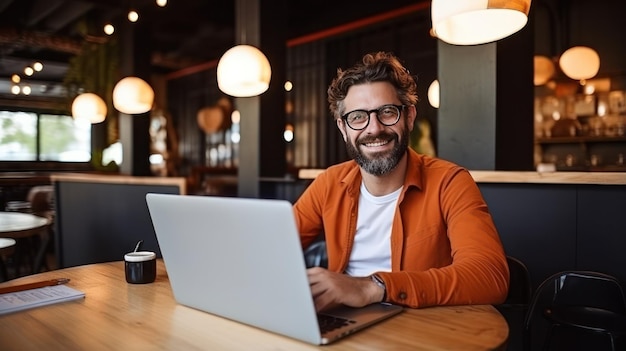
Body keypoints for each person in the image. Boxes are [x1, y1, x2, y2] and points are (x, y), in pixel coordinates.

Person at [293, 51, 509, 312]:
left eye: (387, 112)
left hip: (420, 328)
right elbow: (269, 250)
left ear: (409, 117)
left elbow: (489, 277)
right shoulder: (329, 183)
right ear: (343, 128)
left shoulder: (450, 182)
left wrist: (372, 287)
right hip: (344, 323)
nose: (374, 128)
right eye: (358, 117)